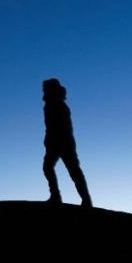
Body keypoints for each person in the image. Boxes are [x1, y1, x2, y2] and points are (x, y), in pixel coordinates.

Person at [42, 78, 92, 207]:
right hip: (56, 142)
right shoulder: (51, 104)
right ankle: (56, 196)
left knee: (73, 170)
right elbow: (50, 126)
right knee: (50, 167)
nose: (43, 90)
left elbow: (61, 126)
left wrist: (54, 140)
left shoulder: (57, 104)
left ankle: (85, 199)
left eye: (45, 88)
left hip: (63, 142)